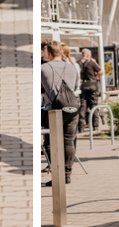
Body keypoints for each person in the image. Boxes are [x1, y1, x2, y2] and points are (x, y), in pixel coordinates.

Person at [41, 41, 79, 185]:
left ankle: (57, 176)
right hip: (71, 109)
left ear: (48, 53)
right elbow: (75, 86)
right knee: (68, 142)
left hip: (53, 110)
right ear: (61, 52)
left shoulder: (43, 68)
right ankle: (67, 175)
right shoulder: (72, 68)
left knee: (51, 144)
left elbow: (40, 89)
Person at [78, 49, 103, 134]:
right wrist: (95, 62)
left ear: (82, 55)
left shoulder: (78, 63)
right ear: (88, 55)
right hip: (92, 85)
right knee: (93, 105)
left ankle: (80, 127)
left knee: (82, 106)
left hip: (82, 86)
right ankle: (95, 126)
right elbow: (101, 72)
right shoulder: (91, 63)